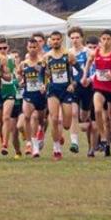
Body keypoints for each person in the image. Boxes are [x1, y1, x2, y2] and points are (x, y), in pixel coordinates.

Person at [83, 29, 111, 157]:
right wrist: (85, 76)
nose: (105, 41)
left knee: (110, 117)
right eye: (103, 39)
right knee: (97, 111)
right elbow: (88, 63)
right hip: (99, 87)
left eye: (108, 39)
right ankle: (103, 137)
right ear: (100, 40)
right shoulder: (96, 52)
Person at [44, 31, 78, 160]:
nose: (55, 41)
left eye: (58, 39)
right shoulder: (47, 57)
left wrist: (73, 84)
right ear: (50, 41)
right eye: (53, 39)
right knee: (53, 119)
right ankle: (56, 149)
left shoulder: (68, 55)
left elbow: (79, 72)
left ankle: (60, 134)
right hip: (53, 90)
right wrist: (43, 82)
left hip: (66, 90)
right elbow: (42, 74)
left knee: (66, 124)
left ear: (61, 40)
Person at [18, 38, 47, 158]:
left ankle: (39, 134)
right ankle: (32, 144)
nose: (32, 50)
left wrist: (45, 84)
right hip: (28, 95)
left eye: (35, 47)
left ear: (38, 48)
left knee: (41, 120)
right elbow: (20, 75)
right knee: (28, 116)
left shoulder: (43, 62)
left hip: (40, 95)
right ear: (27, 48)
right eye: (30, 47)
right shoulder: (23, 64)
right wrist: (21, 82)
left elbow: (49, 76)